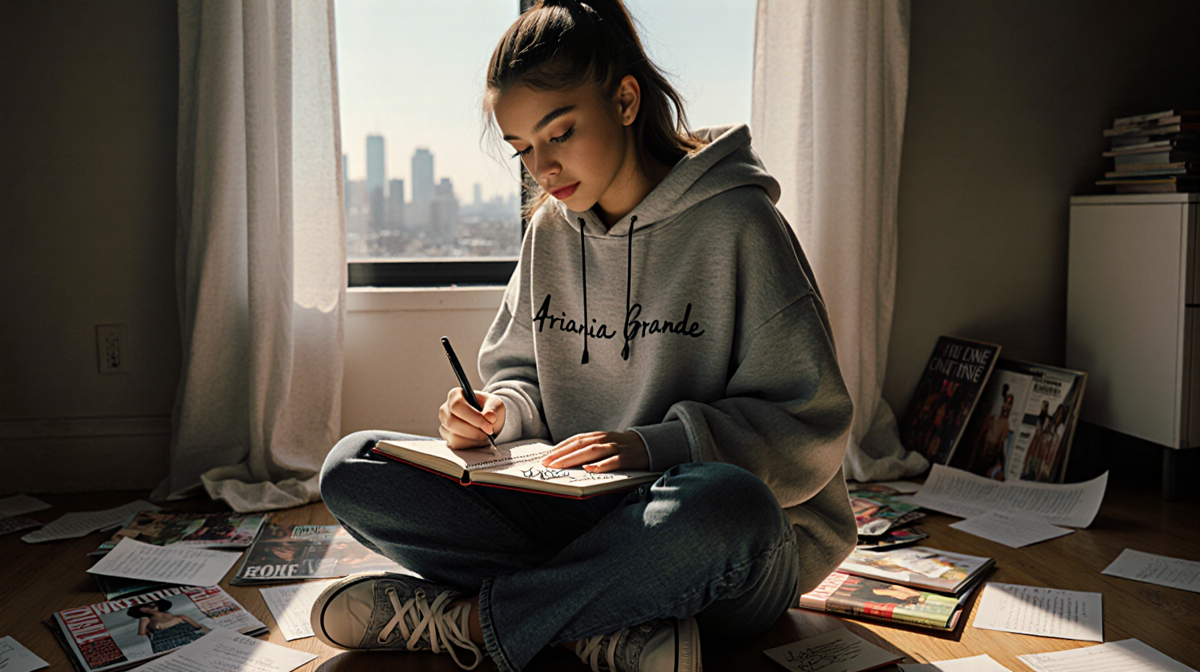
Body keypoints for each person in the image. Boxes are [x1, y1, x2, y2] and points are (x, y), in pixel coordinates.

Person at [312, 2, 855, 671]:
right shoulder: (549, 231)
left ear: (625, 100)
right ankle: (595, 622)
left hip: (706, 539)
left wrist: (655, 446)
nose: (541, 168)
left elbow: (810, 426)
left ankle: (476, 623)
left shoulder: (740, 223)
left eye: (560, 133)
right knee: (354, 464)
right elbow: (521, 377)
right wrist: (497, 413)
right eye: (522, 148)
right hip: (580, 520)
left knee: (728, 505)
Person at [126, 599, 209, 654]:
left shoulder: (181, 616)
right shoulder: (146, 620)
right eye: (144, 608)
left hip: (190, 640)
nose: (147, 608)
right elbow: (141, 638)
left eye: (149, 605)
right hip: (168, 646)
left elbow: (199, 628)